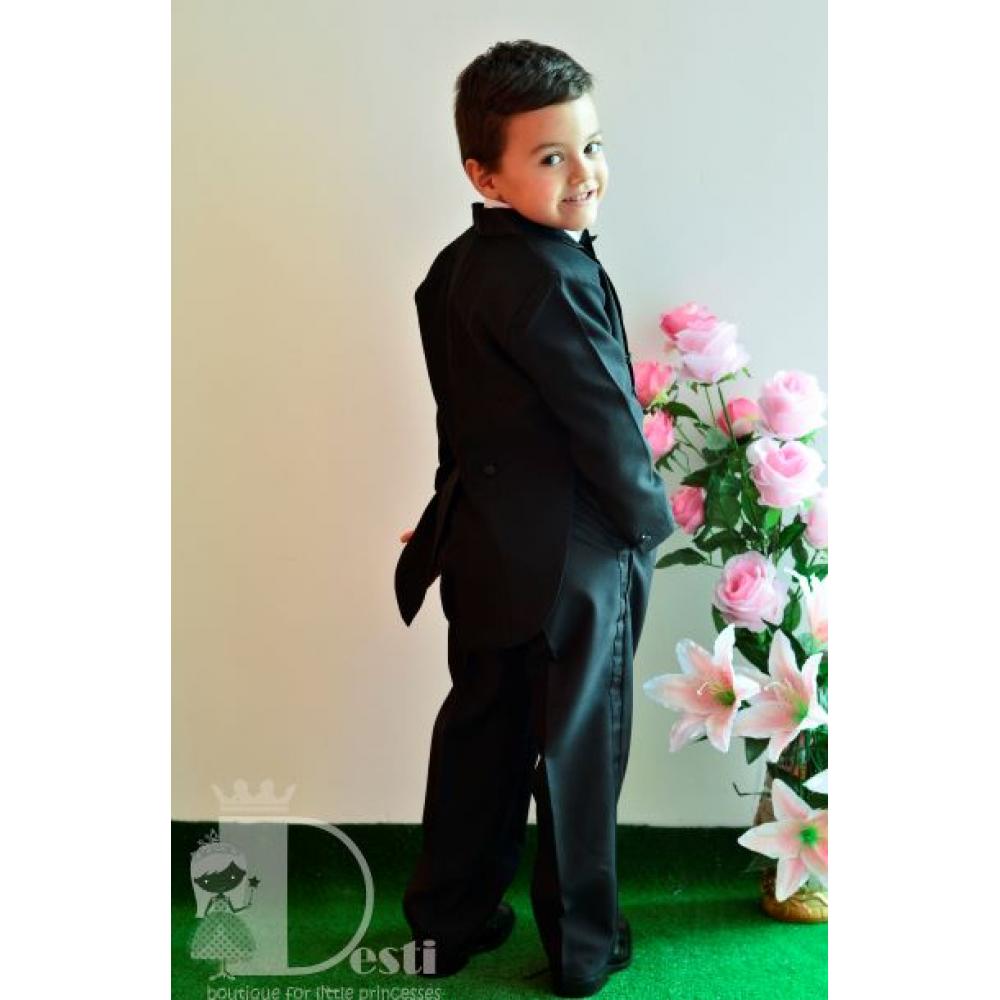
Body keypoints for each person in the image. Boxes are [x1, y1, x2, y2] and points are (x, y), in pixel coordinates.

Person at [394, 39, 675, 998]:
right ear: (486, 175)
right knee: (579, 751)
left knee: (482, 735)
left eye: (591, 146)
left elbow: (464, 419)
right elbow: (606, 424)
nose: (583, 173)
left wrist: (446, 511)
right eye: (551, 157)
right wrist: (648, 527)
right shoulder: (556, 274)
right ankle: (583, 947)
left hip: (485, 550)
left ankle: (448, 922)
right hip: (575, 564)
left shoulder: (451, 269)